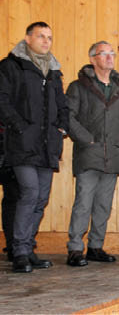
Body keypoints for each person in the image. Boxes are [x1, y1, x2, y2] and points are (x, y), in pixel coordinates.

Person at [0, 22, 69, 273]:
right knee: (28, 194)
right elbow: (2, 100)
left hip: (47, 145)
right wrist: (19, 126)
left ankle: (28, 249)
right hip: (22, 144)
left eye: (49, 37)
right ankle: (18, 251)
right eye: (41, 36)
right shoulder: (11, 66)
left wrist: (62, 127)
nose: (46, 41)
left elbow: (62, 105)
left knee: (41, 198)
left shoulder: (53, 71)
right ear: (28, 38)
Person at [65, 41, 119, 267]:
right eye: (104, 54)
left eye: (112, 53)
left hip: (112, 155)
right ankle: (75, 248)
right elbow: (69, 117)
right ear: (93, 59)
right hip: (89, 153)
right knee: (83, 202)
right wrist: (88, 139)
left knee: (104, 203)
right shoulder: (78, 86)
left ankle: (95, 246)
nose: (110, 57)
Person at [0, 122, 19, 262]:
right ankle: (13, 245)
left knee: (13, 198)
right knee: (12, 199)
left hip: (10, 149)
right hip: (9, 147)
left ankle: (13, 245)